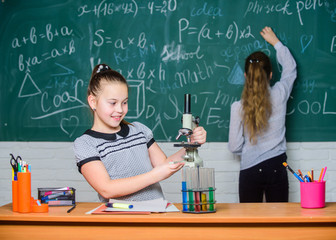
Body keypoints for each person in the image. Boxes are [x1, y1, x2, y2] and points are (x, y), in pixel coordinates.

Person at [73, 64, 207, 202]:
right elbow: (107, 189)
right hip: (121, 219)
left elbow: (164, 165)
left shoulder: (139, 130)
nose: (120, 109)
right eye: (112, 103)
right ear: (93, 102)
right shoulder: (85, 144)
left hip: (155, 214)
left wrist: (191, 145)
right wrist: (154, 175)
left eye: (124, 102)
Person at [228, 26, 297, 203]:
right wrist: (276, 42)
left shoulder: (238, 107)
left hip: (250, 169)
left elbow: (234, 147)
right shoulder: (280, 94)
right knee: (280, 224)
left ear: (245, 76)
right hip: (277, 166)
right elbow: (290, 69)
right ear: (271, 75)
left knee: (250, 226)